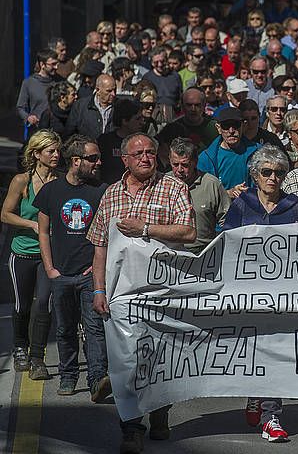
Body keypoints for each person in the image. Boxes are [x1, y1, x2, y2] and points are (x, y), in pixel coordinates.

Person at [88, 132, 196, 453]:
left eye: (151, 152)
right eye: (139, 154)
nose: (146, 157)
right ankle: (131, 429)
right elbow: (100, 247)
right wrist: (98, 290)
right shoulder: (110, 195)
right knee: (125, 362)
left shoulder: (173, 187)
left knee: (160, 358)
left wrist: (146, 229)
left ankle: (160, 412)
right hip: (122, 296)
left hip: (162, 293)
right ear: (125, 159)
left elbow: (189, 231)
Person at [222, 144, 298, 443]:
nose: (273, 178)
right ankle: (254, 394)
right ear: (255, 174)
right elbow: (227, 245)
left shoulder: (294, 206)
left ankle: (271, 416)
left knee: (275, 354)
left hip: (281, 294)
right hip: (246, 293)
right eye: (267, 172)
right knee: (253, 352)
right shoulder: (242, 204)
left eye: (280, 173)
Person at [33, 135, 109, 399]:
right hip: (61, 274)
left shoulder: (101, 190)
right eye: (92, 158)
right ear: (75, 161)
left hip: (90, 275)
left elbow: (110, 234)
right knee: (65, 329)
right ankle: (68, 376)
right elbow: (43, 232)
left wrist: (99, 267)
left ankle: (97, 378)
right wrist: (50, 267)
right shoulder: (51, 191)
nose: (98, 162)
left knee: (95, 327)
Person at [1, 131, 61, 378]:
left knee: (44, 304)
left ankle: (38, 357)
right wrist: (33, 225)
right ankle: (19, 347)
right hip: (23, 252)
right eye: (51, 151)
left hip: (49, 254)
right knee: (22, 305)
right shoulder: (21, 181)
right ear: (36, 154)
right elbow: (5, 214)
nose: (57, 155)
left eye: (58, 151)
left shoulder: (60, 181)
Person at [168, 137, 230, 254]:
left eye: (185, 165)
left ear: (195, 162)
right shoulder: (163, 184)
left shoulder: (212, 184)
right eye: (175, 164)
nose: (179, 170)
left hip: (204, 252)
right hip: (171, 252)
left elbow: (227, 222)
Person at [198, 107, 261, 197]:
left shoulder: (258, 152)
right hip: (222, 209)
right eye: (226, 126)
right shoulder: (206, 159)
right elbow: (202, 195)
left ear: (243, 126)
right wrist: (228, 193)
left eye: (235, 125)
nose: (231, 131)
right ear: (218, 128)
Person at [97, 97, 145, 185]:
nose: (142, 122)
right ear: (125, 121)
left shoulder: (143, 143)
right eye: (137, 119)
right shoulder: (105, 142)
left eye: (142, 118)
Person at [16, 49, 61, 134]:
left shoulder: (59, 82)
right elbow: (20, 107)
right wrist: (28, 117)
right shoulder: (29, 83)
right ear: (42, 65)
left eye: (57, 63)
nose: (56, 67)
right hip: (37, 131)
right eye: (53, 64)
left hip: (56, 131)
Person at [65, 74, 116, 139]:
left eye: (114, 90)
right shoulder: (80, 106)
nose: (113, 94)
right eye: (109, 91)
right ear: (98, 90)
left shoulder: (119, 106)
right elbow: (69, 133)